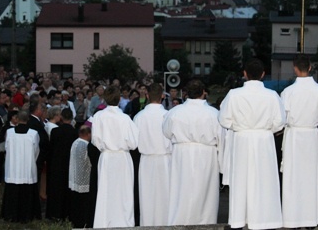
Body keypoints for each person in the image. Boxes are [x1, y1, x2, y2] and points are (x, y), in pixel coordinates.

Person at [218, 58, 286, 230]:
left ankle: (238, 221)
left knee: (241, 179)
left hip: (241, 139)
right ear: (263, 74)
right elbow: (280, 122)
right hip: (264, 140)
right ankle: (265, 220)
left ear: (245, 74)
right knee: (264, 180)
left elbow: (223, 119)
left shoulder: (234, 94)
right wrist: (265, 129)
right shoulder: (271, 96)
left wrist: (239, 127)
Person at [163, 79, 224, 225]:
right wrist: (222, 166)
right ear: (204, 93)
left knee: (181, 193)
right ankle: (205, 225)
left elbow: (166, 132)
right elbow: (222, 138)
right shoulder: (213, 113)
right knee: (205, 196)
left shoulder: (174, 112)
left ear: (185, 94)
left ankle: (178, 224)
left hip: (181, 155)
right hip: (206, 156)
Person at [280, 55, 318, 228]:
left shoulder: (288, 92)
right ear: (310, 68)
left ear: (295, 68)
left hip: (295, 136)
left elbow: (282, 116)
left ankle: (293, 218)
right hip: (311, 135)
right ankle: (311, 218)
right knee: (311, 177)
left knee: (294, 178)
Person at [90, 85, 139, 228]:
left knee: (106, 190)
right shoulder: (125, 119)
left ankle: (104, 222)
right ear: (119, 99)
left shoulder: (99, 116)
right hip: (122, 157)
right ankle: (124, 222)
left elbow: (95, 140)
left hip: (106, 157)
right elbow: (134, 142)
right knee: (123, 192)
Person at [133, 83, 172, 226]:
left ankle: (147, 225)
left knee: (147, 196)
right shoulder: (168, 115)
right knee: (165, 195)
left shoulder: (139, 116)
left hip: (147, 160)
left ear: (147, 95)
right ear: (162, 96)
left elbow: (134, 141)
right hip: (165, 160)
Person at [1, 109, 42, 223]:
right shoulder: (33, 134)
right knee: (27, 192)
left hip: (13, 167)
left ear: (17, 119)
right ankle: (27, 215)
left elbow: (6, 148)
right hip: (27, 168)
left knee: (13, 192)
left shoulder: (9, 132)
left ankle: (11, 214)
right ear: (27, 120)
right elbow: (36, 151)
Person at [46, 108, 78, 221]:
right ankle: (67, 212)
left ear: (61, 117)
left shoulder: (55, 132)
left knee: (56, 189)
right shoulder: (75, 133)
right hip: (70, 164)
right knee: (68, 190)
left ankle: (54, 213)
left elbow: (51, 148)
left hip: (57, 164)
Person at [69, 125, 96, 228]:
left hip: (75, 178)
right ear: (88, 134)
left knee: (76, 204)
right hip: (85, 179)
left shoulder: (75, 143)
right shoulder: (86, 146)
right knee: (84, 205)